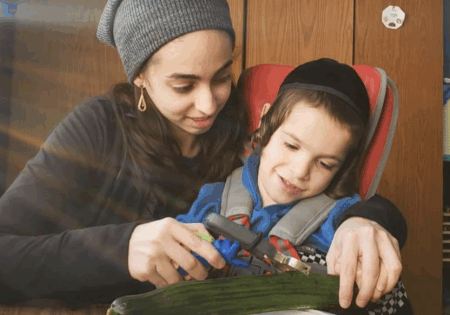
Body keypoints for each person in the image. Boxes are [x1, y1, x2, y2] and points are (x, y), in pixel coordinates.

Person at [0, 0, 405, 309]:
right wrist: (122, 249)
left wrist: (364, 222)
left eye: (222, 77)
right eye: (183, 86)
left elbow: (332, 186)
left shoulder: (242, 121)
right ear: (140, 75)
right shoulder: (97, 128)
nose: (209, 104)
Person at [177, 58, 413, 314]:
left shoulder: (344, 219)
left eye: (324, 163)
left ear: (342, 167)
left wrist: (363, 224)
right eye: (291, 146)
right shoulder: (212, 197)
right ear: (266, 120)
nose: (300, 172)